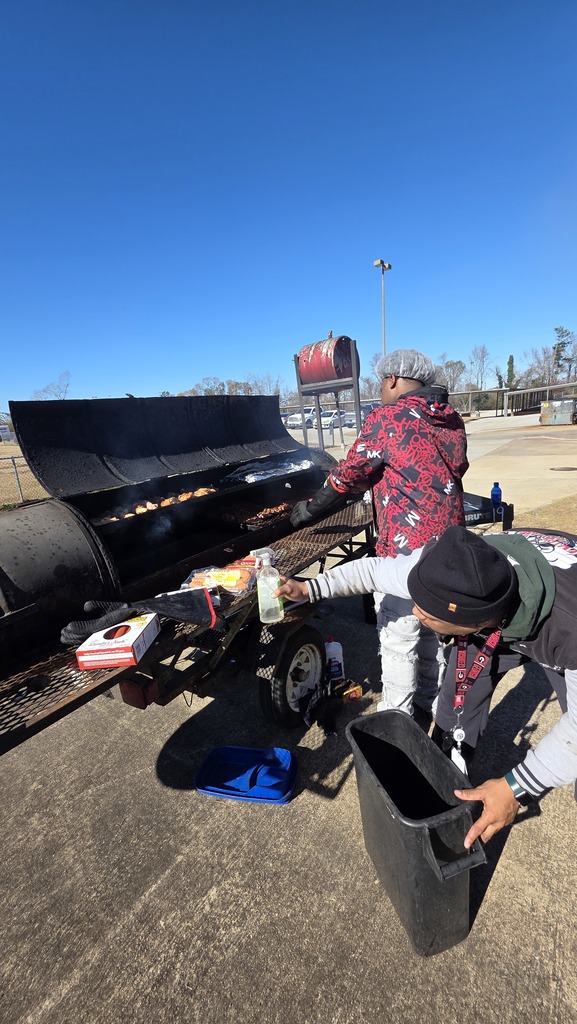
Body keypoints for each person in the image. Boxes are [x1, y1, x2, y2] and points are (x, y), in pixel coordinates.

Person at [275, 524, 577, 849]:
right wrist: (309, 588)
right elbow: (375, 571)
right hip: (503, 616)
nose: (416, 613)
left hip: (556, 621)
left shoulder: (568, 630)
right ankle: (446, 778)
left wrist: (515, 787)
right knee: (452, 706)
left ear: (472, 621)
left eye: (427, 613)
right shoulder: (451, 568)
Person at [290, 348, 468, 719]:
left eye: (381, 383)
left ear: (392, 380)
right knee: (432, 633)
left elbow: (349, 473)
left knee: (398, 638)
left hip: (407, 550)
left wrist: (309, 510)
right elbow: (441, 467)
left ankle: (396, 720)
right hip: (451, 549)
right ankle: (430, 705)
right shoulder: (450, 418)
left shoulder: (389, 416)